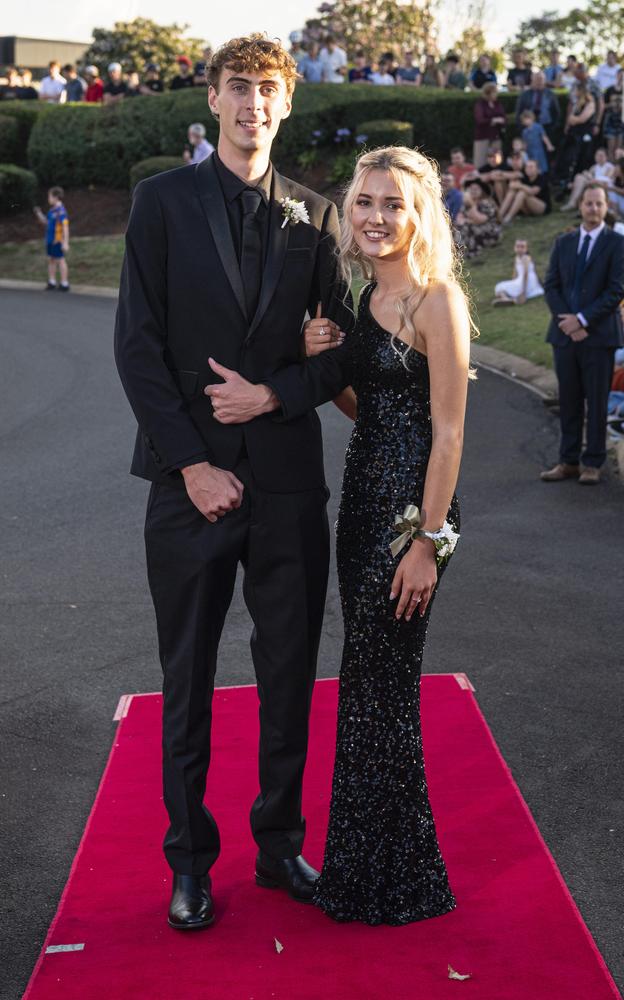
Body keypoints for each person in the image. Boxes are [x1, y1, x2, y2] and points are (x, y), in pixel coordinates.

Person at [114, 32, 356, 932]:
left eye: (268, 89)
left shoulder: (316, 218)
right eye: (238, 87)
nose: (254, 103)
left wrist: (275, 393)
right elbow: (137, 348)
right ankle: (189, 861)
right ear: (212, 100)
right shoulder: (160, 203)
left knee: (289, 670)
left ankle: (280, 842)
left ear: (286, 104)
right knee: (188, 676)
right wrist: (194, 463)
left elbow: (341, 355)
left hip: (290, 482)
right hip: (188, 485)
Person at [302, 145, 470, 924]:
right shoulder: (364, 297)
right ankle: (373, 871)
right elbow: (371, 413)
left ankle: (398, 881)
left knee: (385, 693)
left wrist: (426, 545)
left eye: (391, 204)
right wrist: (330, 367)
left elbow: (446, 436)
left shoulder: (437, 301)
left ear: (418, 214)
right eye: (365, 202)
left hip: (412, 521)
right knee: (368, 689)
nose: (375, 217)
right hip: (361, 511)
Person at [541, 182, 624, 485]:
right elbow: (551, 285)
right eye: (589, 203)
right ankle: (567, 461)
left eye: (599, 204)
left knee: (596, 400)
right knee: (569, 400)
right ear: (580, 205)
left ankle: (593, 462)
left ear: (606, 207)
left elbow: (617, 289)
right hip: (564, 336)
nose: (593, 208)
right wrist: (567, 321)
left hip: (599, 336)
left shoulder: (617, 243)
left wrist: (582, 320)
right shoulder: (563, 242)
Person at [33, 186, 70, 292]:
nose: (48, 198)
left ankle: (64, 283)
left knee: (61, 260)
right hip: (49, 240)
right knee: (51, 260)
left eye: (49, 196)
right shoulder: (52, 210)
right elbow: (46, 222)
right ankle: (52, 281)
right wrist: (39, 213)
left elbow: (65, 227)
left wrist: (65, 242)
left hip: (57, 240)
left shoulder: (61, 211)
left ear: (56, 197)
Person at [455, 176, 501, 257]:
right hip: (473, 226)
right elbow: (459, 218)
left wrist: (471, 206)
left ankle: (466, 252)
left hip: (489, 230)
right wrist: (465, 220)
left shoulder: (486, 203)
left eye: (476, 189)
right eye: (471, 189)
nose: (473, 191)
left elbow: (480, 220)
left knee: (465, 227)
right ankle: (456, 251)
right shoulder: (466, 203)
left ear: (482, 191)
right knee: (457, 227)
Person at [561, 147, 615, 211]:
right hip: (593, 184)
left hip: (604, 186)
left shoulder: (610, 167)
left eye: (601, 156)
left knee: (581, 179)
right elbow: (588, 177)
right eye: (597, 155)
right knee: (579, 177)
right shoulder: (594, 167)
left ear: (606, 157)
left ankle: (573, 203)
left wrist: (589, 177)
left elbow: (605, 180)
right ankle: (573, 202)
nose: (599, 157)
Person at [498, 158, 551, 224]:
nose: (528, 169)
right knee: (512, 191)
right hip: (528, 209)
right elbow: (511, 185)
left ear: (537, 169)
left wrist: (520, 185)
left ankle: (508, 218)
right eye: (527, 167)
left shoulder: (542, 178)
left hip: (541, 207)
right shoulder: (524, 177)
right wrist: (515, 184)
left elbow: (533, 191)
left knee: (522, 193)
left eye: (531, 167)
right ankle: (499, 216)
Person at [493, 237, 544, 305]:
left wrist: (524, 292)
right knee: (500, 289)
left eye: (522, 247)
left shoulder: (526, 258)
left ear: (526, 249)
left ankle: (509, 299)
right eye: (517, 246)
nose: (519, 249)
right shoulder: (517, 258)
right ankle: (508, 300)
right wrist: (512, 282)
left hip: (527, 282)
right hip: (521, 280)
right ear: (514, 248)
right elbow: (515, 273)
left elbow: (526, 274)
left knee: (499, 287)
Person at [472, 82, 506, 168]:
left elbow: (503, 116)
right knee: (481, 161)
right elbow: (479, 119)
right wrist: (492, 120)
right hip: (483, 136)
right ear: (488, 93)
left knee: (497, 160)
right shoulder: (480, 104)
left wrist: (501, 120)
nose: (496, 94)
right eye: (494, 92)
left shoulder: (497, 104)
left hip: (496, 136)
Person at [520, 109, 554, 175]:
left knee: (541, 166)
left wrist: (549, 145)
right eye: (525, 120)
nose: (527, 121)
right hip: (530, 151)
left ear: (532, 118)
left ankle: (542, 178)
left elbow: (544, 137)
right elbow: (524, 142)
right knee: (532, 165)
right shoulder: (524, 132)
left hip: (538, 151)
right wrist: (523, 150)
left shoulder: (538, 127)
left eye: (528, 119)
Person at [602, 71, 624, 161]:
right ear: (616, 76)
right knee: (611, 148)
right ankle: (610, 166)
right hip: (611, 120)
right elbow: (603, 105)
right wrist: (612, 104)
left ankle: (617, 169)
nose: (621, 77)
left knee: (619, 149)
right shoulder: (610, 90)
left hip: (622, 121)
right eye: (620, 75)